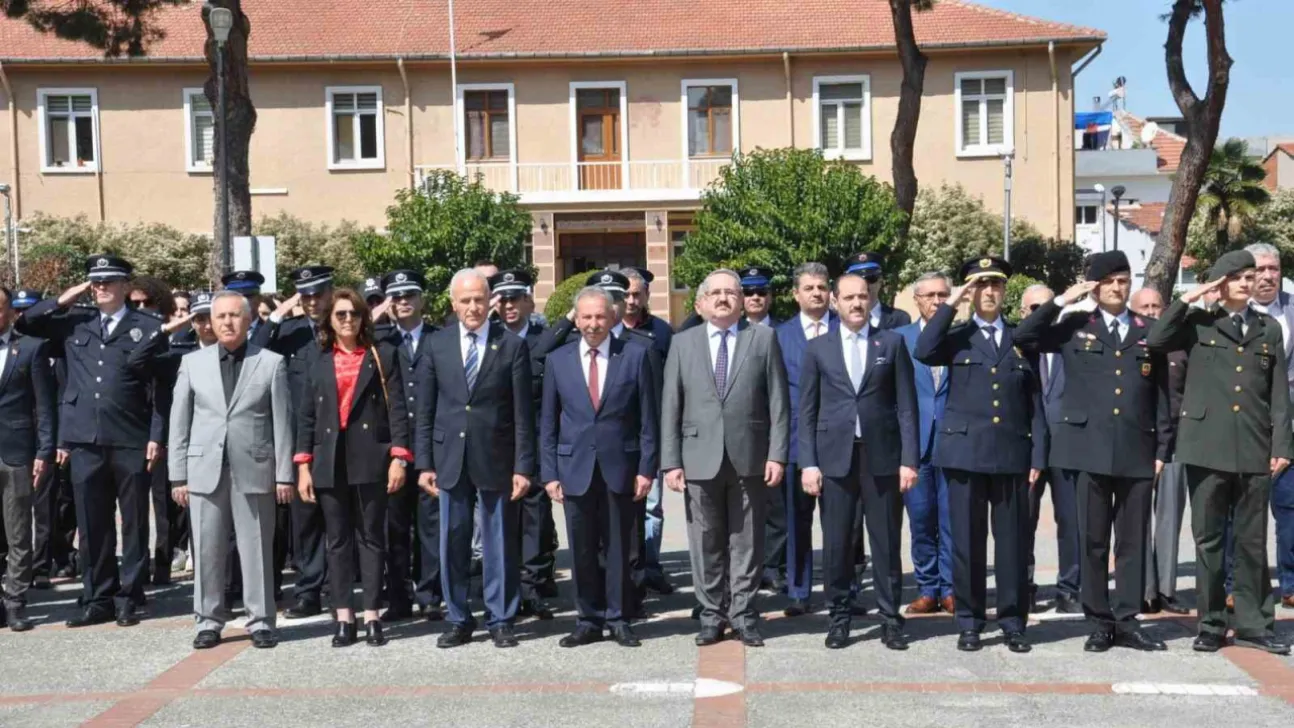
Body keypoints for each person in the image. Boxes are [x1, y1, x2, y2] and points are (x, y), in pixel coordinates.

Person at [1014, 252, 1170, 652]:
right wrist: (1062, 300)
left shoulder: (1148, 330)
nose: (1118, 288)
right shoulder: (1074, 325)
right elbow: (1024, 336)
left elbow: (1162, 394)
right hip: (1087, 447)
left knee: (1133, 538)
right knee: (1093, 538)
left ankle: (1127, 619)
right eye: (1109, 282)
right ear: (1095, 287)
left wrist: (1163, 446)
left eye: (1123, 280)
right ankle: (1099, 620)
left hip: (1137, 445)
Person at [1147, 250, 1292, 655]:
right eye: (1238, 277)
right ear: (1220, 283)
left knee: (1251, 541)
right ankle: (1210, 624)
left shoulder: (1268, 329)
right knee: (1209, 541)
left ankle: (1255, 625)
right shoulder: (1197, 323)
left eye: (1251, 276)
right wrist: (1189, 299)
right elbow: (1156, 339)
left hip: (1253, 446)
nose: (1247, 283)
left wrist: (1282, 445)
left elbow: (1279, 395)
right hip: (1205, 446)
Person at [17, 255, 172, 628]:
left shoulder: (147, 326)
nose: (100, 287)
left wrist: (156, 435)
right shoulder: (75, 320)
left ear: (124, 286)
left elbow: (160, 388)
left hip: (130, 436)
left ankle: (129, 596)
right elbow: (27, 322)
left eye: (108, 281)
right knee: (92, 522)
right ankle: (98, 596)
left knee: (133, 522)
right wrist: (67, 298)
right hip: (84, 437)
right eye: (95, 282)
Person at [914, 256, 1043, 654]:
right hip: (965, 455)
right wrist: (953, 301)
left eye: (996, 285)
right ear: (971, 292)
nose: (989, 292)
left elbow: (1034, 400)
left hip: (1010, 454)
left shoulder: (1021, 338)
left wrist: (1038, 455)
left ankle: (1011, 621)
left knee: (1012, 544)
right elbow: (923, 348)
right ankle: (969, 620)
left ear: (1005, 291)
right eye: (980, 286)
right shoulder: (955, 335)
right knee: (967, 543)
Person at [662, 268, 790, 647]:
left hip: (749, 456)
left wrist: (778, 455)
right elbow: (671, 405)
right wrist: (671, 461)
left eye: (731, 293)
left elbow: (779, 404)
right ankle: (711, 616)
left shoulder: (763, 339)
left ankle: (745, 615)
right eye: (715, 293)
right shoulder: (683, 344)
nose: (723, 298)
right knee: (705, 542)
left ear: (741, 300)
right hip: (698, 457)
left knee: (747, 541)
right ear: (701, 303)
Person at [416, 268, 535, 649]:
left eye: (479, 300)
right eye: (465, 300)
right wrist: (425, 463)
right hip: (449, 457)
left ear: (491, 302)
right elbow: (426, 409)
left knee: (499, 541)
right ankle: (458, 617)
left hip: (496, 457)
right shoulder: (437, 344)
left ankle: (500, 618)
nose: (472, 307)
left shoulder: (512, 344)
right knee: (453, 540)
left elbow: (522, 413)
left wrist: (523, 466)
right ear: (453, 304)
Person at [168, 291, 294, 650]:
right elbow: (180, 422)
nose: (226, 322)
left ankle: (261, 620)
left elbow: (283, 423)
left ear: (248, 318)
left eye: (234, 316)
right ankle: (208, 620)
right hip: (204, 468)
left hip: (254, 468)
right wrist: (179, 475)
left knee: (256, 547)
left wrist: (284, 473)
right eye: (219, 316)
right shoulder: (193, 363)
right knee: (207, 548)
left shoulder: (270, 363)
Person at [799, 272, 918, 650]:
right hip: (835, 459)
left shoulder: (892, 343)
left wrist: (909, 460)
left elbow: (907, 409)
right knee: (837, 544)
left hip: (881, 458)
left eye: (862, 297)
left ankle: (889, 618)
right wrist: (809, 463)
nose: (856, 304)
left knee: (885, 543)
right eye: (848, 298)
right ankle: (839, 618)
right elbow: (807, 411)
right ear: (835, 301)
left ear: (870, 300)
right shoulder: (819, 348)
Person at [541, 286, 659, 647]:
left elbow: (648, 420)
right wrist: (549, 474)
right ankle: (588, 619)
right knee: (582, 548)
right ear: (576, 319)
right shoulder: (557, 360)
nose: (593, 323)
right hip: (574, 467)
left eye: (600, 316)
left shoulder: (637, 355)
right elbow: (547, 422)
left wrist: (646, 469)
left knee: (621, 547)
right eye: (586, 316)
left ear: (612, 317)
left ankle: (619, 618)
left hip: (620, 466)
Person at [295, 289, 411, 647]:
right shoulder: (316, 362)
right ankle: (344, 616)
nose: (348, 320)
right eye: (341, 314)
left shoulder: (383, 356)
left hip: (371, 457)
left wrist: (399, 457)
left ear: (365, 319)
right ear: (330, 320)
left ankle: (373, 614)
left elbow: (398, 410)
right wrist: (302, 465)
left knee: (372, 538)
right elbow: (307, 419)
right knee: (338, 540)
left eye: (355, 314)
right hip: (330, 459)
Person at [255, 265, 335, 619]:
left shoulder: (344, 325)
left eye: (319, 294)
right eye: (306, 296)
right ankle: (308, 590)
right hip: (300, 439)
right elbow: (252, 351)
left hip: (338, 436)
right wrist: (276, 315)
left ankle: (341, 587)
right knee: (305, 522)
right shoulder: (286, 332)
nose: (313, 301)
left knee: (340, 518)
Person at [491, 269, 558, 618]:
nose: (509, 305)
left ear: (530, 301)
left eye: (515, 297)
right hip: (498, 442)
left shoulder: (546, 339)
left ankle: (533, 588)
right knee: (503, 519)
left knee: (535, 518)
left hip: (534, 439)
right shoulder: (489, 339)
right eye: (502, 298)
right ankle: (507, 588)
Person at [774, 262, 839, 614]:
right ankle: (799, 592)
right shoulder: (780, 336)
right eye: (809, 288)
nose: (817, 293)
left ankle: (840, 590)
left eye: (822, 287)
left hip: (840, 443)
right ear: (795, 294)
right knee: (797, 523)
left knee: (840, 524)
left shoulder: (846, 329)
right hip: (797, 443)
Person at [379, 270, 442, 623]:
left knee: (431, 526)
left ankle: (430, 594)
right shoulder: (381, 342)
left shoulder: (440, 338)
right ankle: (399, 596)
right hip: (394, 451)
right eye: (396, 296)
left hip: (432, 445)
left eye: (410, 295)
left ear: (422, 299)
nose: (403, 301)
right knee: (395, 527)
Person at [1016, 284, 1082, 614]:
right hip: (1027, 449)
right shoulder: (1018, 345)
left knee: (1071, 522)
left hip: (1069, 447)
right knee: (1022, 522)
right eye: (1033, 308)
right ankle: (1023, 585)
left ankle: (1069, 588)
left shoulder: (1070, 341)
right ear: (1022, 312)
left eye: (1047, 307)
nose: (1041, 313)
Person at [896, 272, 955, 615]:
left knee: (951, 520)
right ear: (916, 300)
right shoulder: (899, 339)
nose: (937, 301)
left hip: (953, 443)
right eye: (930, 295)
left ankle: (950, 588)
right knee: (920, 519)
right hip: (914, 446)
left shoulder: (962, 337)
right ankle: (927, 588)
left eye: (943, 295)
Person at [1130, 287, 1192, 615]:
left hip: (1177, 440)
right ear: (1133, 310)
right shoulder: (1128, 343)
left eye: (1157, 306)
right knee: (1138, 517)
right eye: (1145, 306)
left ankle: (1166, 589)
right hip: (1139, 441)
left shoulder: (1181, 344)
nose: (1152, 311)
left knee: (1170, 516)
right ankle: (1144, 589)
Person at [0, 287, 55, 632]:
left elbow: (44, 406)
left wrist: (44, 451)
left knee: (18, 530)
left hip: (17, 452)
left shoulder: (30, 349)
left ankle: (16, 601)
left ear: (9, 311)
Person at [1245, 243, 1294, 611]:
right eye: (1260, 269)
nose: (1267, 276)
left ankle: (1290, 584)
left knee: (1289, 508)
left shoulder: (1292, 310)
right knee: (1240, 512)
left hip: (1288, 426)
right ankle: (1236, 584)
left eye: (1273, 269)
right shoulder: (1231, 315)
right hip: (1244, 424)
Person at [130, 276, 187, 587]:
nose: (141, 308)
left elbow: (164, 390)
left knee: (167, 500)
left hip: (164, 425)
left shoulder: (170, 335)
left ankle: (165, 561)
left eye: (147, 302)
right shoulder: (132, 335)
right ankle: (142, 567)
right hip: (132, 427)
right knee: (137, 506)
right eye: (135, 303)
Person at [846, 252, 912, 331]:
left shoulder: (900, 319)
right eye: (858, 281)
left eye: (871, 278)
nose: (865, 285)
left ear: (880, 281)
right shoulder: (840, 320)